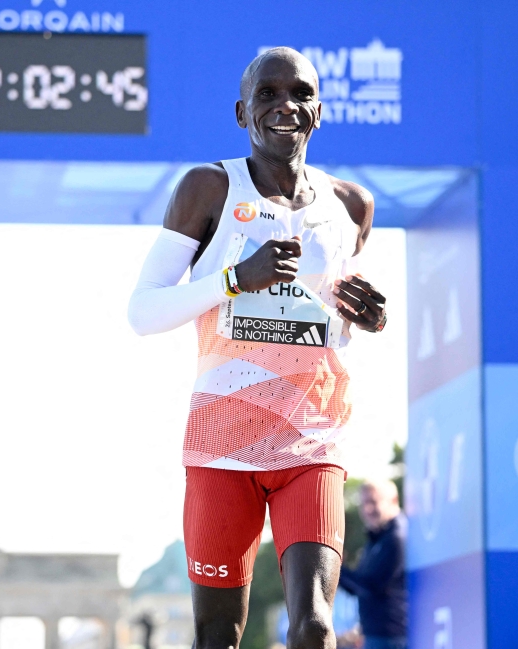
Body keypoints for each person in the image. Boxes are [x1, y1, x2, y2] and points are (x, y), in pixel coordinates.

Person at [128, 47, 388, 649]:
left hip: (313, 440)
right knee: (219, 631)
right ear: (242, 111)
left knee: (316, 626)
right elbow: (143, 311)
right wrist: (233, 279)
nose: (284, 106)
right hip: (224, 442)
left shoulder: (352, 206)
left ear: (318, 112)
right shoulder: (207, 187)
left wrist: (371, 315)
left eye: (300, 94)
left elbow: (333, 310)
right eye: (267, 95)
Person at [338, 481, 408, 649]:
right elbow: (357, 588)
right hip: (378, 635)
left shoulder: (396, 537)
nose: (367, 510)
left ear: (393, 500)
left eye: (374, 502)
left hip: (391, 636)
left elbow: (372, 586)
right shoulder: (378, 537)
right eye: (364, 503)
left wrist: (335, 567)